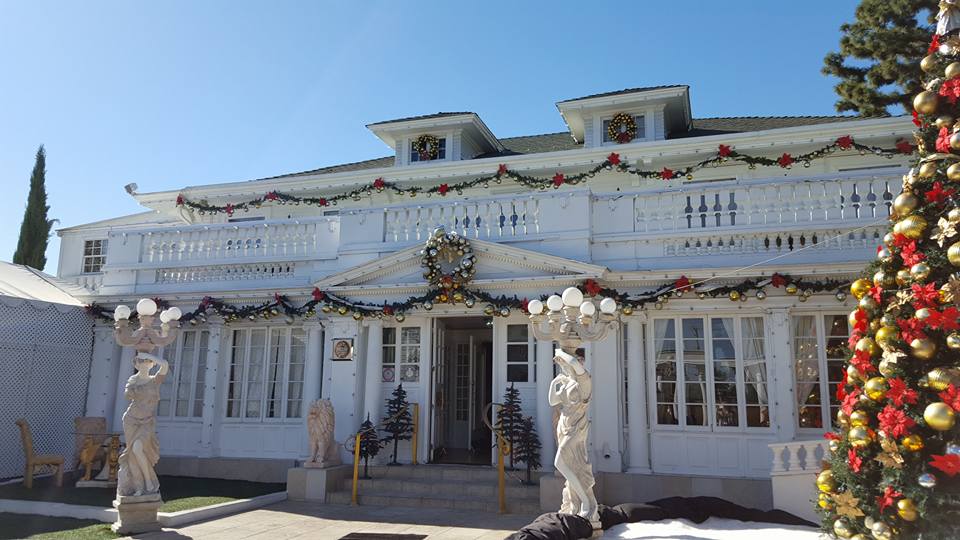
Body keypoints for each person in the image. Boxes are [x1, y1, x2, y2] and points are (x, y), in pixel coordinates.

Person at [548, 347, 599, 527]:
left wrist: (559, 350)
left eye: (564, 364)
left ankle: (586, 501)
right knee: (572, 465)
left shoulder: (584, 382)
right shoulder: (568, 382)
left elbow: (573, 364)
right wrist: (555, 383)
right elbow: (553, 401)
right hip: (564, 425)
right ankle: (576, 503)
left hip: (577, 428)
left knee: (560, 463)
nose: (564, 366)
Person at [116, 352, 167, 497]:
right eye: (140, 361)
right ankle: (139, 487)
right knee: (133, 454)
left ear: (151, 364)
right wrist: (132, 388)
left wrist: (149, 356)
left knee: (138, 449)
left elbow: (164, 365)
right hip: (131, 420)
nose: (144, 364)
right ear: (136, 364)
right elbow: (127, 395)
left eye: (147, 361)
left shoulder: (155, 380)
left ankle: (149, 481)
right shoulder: (133, 380)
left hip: (147, 421)